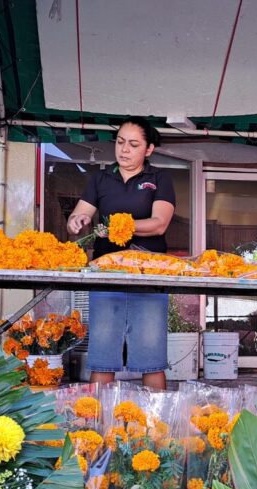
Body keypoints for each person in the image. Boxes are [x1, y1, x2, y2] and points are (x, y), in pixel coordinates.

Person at [67, 117, 176, 390]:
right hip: (106, 274)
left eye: (134, 144)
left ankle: (155, 427)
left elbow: (159, 223)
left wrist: (121, 226)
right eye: (120, 142)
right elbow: (80, 214)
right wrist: (76, 221)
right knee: (103, 355)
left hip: (149, 275)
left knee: (150, 355)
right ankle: (95, 424)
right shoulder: (100, 179)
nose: (124, 149)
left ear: (148, 149)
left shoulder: (159, 179)